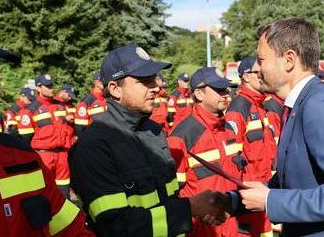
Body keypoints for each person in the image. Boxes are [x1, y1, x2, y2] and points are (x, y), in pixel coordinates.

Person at [69, 45, 230, 237]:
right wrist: (190, 208)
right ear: (115, 89)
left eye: (154, 78)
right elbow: (116, 226)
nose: (157, 87)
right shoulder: (94, 146)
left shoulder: (153, 130)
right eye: (145, 81)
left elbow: (166, 200)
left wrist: (194, 212)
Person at [0, 42, 93, 236]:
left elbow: (68, 228)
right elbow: (26, 134)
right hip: (46, 153)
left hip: (60, 155)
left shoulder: (24, 159)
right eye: (46, 86)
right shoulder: (28, 112)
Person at [236, 17, 324, 236]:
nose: (256, 69)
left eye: (261, 59)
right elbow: (293, 180)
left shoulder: (315, 105)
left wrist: (270, 200)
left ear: (289, 60)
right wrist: (234, 200)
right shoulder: (296, 105)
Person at [168, 67, 240, 237]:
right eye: (218, 89)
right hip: (201, 227)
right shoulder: (182, 135)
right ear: (199, 94)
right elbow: (175, 190)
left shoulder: (228, 128)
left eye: (225, 88)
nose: (225, 93)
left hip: (229, 221)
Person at [224, 56, 276, 236]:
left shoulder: (259, 105)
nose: (262, 75)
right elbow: (232, 158)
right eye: (257, 72)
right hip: (250, 192)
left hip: (264, 187)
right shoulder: (238, 108)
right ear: (246, 76)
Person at [16, 74, 73, 197]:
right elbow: (25, 141)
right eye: (47, 86)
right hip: (43, 155)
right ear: (38, 88)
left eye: (52, 85)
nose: (51, 88)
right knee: (44, 192)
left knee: (64, 193)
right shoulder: (30, 110)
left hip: (62, 156)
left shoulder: (60, 106)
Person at [74, 72, 106, 137]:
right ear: (96, 82)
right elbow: (79, 127)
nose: (105, 82)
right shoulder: (87, 101)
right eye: (102, 80)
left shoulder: (107, 98)